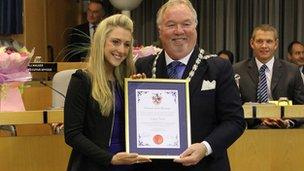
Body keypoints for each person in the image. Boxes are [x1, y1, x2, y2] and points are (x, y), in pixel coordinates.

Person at [135, 0, 246, 170]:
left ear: (195, 27)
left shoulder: (218, 68)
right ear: (160, 30)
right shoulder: (143, 67)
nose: (179, 31)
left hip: (206, 165)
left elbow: (235, 121)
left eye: (186, 24)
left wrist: (205, 147)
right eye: (171, 25)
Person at [64, 14, 151, 171]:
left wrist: (140, 93)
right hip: (96, 164)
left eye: (126, 45)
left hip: (128, 162)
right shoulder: (82, 80)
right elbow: (72, 135)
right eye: (115, 42)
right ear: (101, 42)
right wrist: (110, 159)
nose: (121, 50)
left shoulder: (126, 82)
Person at [233, 24, 304, 128]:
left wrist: (288, 121)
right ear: (252, 43)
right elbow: (233, 107)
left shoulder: (292, 71)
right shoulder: (237, 70)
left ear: (276, 44)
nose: (264, 46)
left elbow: (301, 107)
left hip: (285, 130)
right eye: (259, 41)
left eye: (269, 41)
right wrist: (260, 118)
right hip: (250, 130)